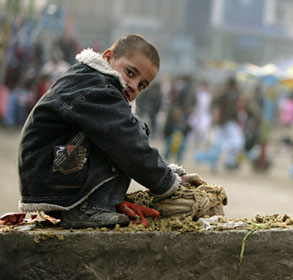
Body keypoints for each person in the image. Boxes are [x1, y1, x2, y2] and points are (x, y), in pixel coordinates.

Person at [18, 34, 205, 228]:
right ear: (107, 57)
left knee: (131, 128)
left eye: (142, 85)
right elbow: (128, 145)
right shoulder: (97, 87)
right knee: (128, 133)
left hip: (51, 175)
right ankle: (88, 207)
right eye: (131, 73)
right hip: (51, 175)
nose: (133, 86)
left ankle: (96, 203)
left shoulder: (93, 82)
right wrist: (168, 184)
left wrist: (168, 173)